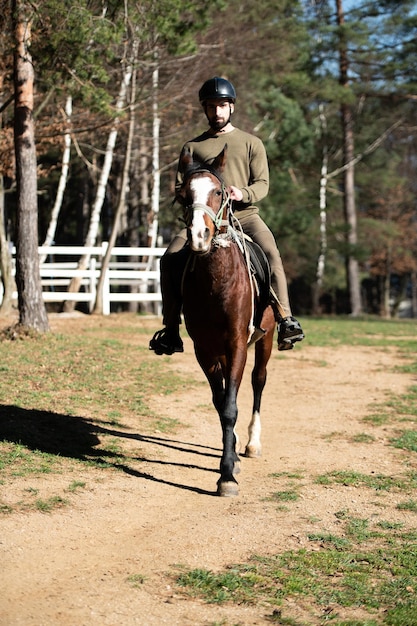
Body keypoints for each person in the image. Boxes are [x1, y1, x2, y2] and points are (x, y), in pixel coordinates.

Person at [150, 76, 304, 355]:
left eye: (222, 105)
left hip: (244, 216)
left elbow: (263, 184)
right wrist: (196, 203)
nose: (217, 111)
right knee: (170, 257)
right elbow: (178, 186)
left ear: (231, 107)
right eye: (211, 106)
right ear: (205, 110)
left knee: (271, 254)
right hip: (204, 219)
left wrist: (242, 193)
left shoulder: (251, 143)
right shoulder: (191, 147)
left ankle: (285, 319)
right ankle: (170, 329)